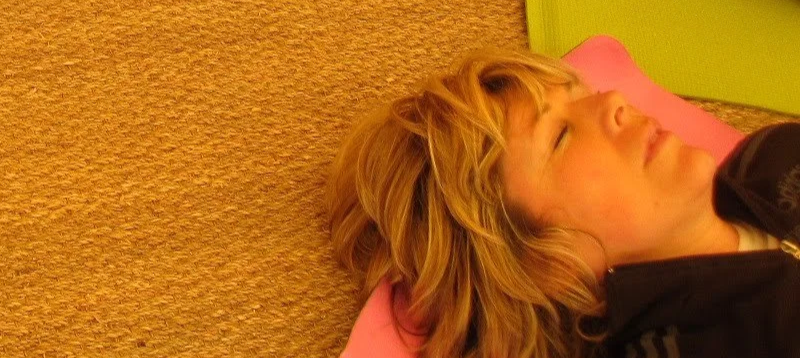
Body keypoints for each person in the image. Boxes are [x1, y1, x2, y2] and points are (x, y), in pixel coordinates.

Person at [326, 48, 800, 358]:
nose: (615, 101)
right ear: (542, 265)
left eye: (586, 94)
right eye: (560, 137)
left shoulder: (774, 157)